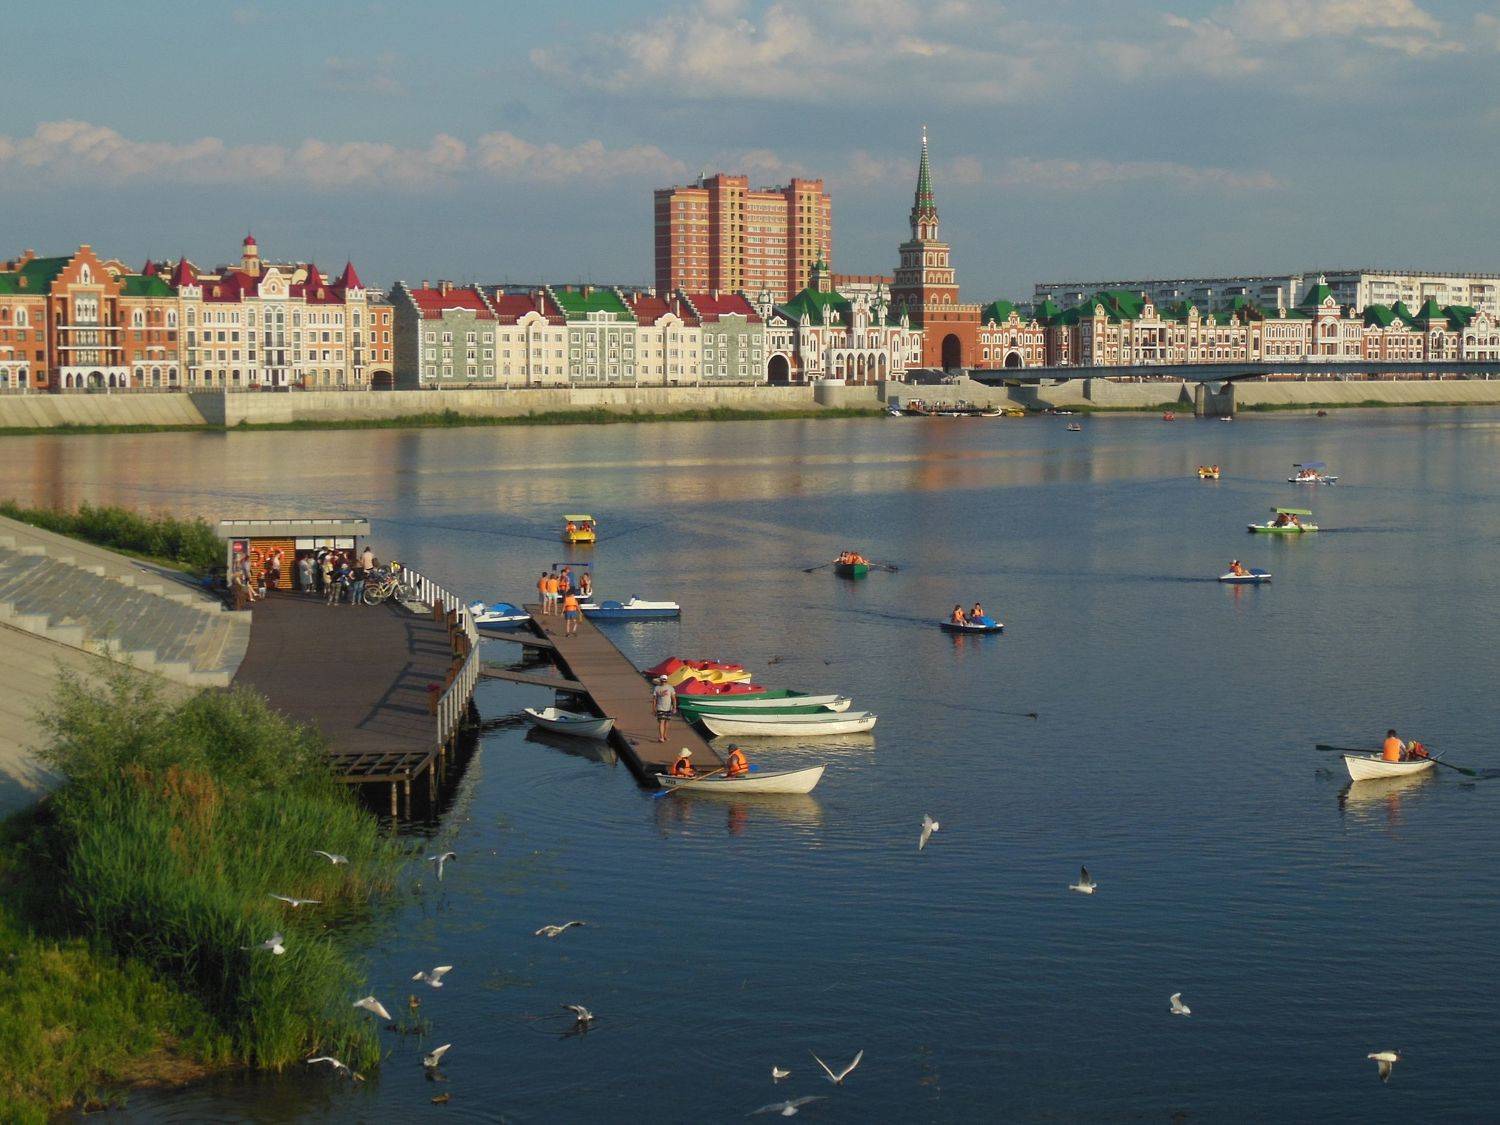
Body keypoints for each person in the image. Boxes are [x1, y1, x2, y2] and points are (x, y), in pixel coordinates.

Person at [652, 675, 676, 743]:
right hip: (660, 707)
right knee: (661, 722)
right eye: (662, 680)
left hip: (668, 708)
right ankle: (661, 737)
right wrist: (654, 708)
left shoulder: (670, 688)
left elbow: (673, 698)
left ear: (666, 680)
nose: (663, 681)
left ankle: (665, 735)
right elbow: (654, 699)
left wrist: (674, 707)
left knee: (667, 722)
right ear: (660, 680)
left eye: (664, 680)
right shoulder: (657, 688)